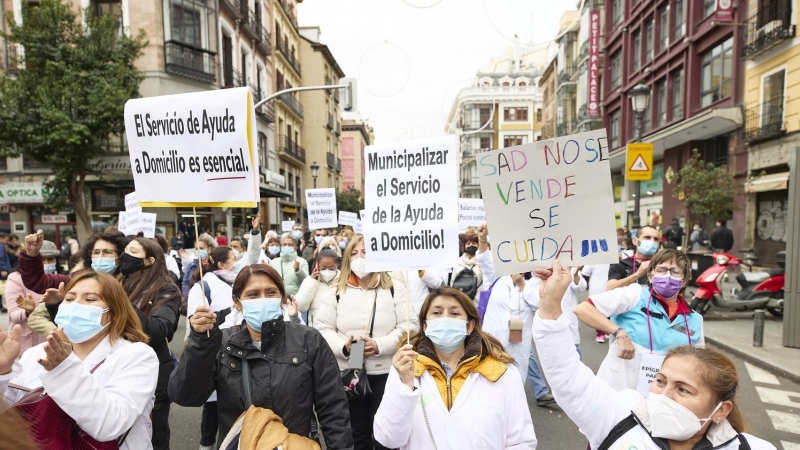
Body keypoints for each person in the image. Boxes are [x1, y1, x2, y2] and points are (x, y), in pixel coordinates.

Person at [531, 260, 774, 450]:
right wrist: (551, 302)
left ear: (721, 410)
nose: (663, 396)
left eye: (683, 389)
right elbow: (568, 379)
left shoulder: (750, 447)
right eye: (660, 381)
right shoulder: (619, 419)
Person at [169, 264, 354, 449]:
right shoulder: (222, 343)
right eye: (253, 294)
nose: (263, 299)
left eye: (271, 292)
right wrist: (201, 343)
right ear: (237, 302)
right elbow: (186, 396)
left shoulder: (309, 340)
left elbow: (333, 409)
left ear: (281, 297)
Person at [0, 271, 160, 450]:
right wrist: (4, 373)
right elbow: (10, 419)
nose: (75, 305)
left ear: (114, 312)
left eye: (89, 300)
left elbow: (110, 424)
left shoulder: (137, 356)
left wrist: (64, 369)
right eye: (69, 299)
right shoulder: (34, 354)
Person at [373, 287, 537, 449]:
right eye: (437, 313)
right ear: (425, 325)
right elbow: (389, 439)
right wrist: (404, 387)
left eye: (454, 313)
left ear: (469, 326)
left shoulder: (502, 373)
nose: (445, 318)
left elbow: (521, 441)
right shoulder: (406, 371)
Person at [315, 235, 416, 450]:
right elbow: (322, 328)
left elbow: (410, 326)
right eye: (354, 252)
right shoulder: (336, 291)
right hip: (349, 373)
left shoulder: (394, 288)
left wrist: (380, 345)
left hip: (387, 373)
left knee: (384, 434)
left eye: (366, 252)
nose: (360, 258)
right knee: (356, 431)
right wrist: (344, 347)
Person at [573, 249, 705, 392]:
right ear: (650, 277)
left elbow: (697, 363)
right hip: (617, 390)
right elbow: (583, 309)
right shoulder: (634, 294)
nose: (668, 275)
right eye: (661, 270)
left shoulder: (694, 319)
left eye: (675, 271)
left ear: (684, 280)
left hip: (662, 398)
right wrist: (619, 332)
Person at [474, 225, 538, 382]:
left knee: (516, 379)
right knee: (490, 378)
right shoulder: (496, 277)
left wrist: (522, 285)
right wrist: (482, 237)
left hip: (519, 342)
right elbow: (484, 257)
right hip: (494, 339)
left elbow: (539, 304)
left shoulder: (534, 282)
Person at [6, 241, 61, 356]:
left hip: (54, 345)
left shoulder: (61, 279)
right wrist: (27, 312)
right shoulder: (16, 279)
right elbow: (13, 315)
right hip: (25, 346)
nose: (46, 263)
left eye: (50, 259)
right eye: (41, 260)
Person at [296, 245, 340, 327]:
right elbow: (300, 306)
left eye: (331, 269)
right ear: (317, 265)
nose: (327, 271)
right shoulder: (309, 281)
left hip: (337, 329)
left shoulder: (343, 281)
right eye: (323, 268)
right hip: (316, 330)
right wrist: (312, 282)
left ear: (337, 265)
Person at [607, 225, 660, 290]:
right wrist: (637, 274)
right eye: (647, 237)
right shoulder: (621, 264)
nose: (652, 241)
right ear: (635, 241)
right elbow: (610, 288)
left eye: (656, 239)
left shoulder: (662, 265)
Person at [448, 232, 484, 303]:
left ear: (478, 245)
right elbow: (452, 282)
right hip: (460, 301)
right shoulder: (458, 262)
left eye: (474, 243)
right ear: (464, 246)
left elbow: (484, 284)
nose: (471, 245)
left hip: (476, 302)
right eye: (468, 244)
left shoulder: (483, 262)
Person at [580, 264, 610, 343]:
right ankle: (600, 333)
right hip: (597, 290)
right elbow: (585, 274)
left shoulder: (613, 261)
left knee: (609, 311)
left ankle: (606, 331)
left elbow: (585, 274)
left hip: (609, 288)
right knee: (599, 313)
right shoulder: (594, 260)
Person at [272, 233, 309, 297]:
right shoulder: (274, 262)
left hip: (295, 298)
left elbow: (306, 282)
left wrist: (298, 271)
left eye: (290, 245)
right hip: (278, 298)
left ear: (295, 247)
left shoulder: (302, 262)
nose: (287, 246)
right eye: (284, 244)